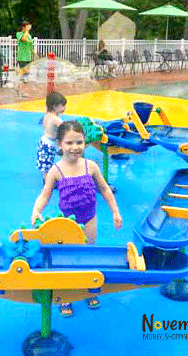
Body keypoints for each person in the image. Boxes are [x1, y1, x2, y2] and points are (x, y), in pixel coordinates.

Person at [31, 120, 123, 317]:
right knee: (68, 260)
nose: (75, 147)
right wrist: (36, 210)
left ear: (85, 143)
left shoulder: (91, 166)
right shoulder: (56, 171)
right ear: (59, 145)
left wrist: (115, 211)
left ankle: (88, 289)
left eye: (79, 142)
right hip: (67, 225)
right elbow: (45, 194)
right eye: (69, 143)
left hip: (89, 219)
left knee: (89, 255)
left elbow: (105, 189)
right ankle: (67, 296)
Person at [36, 92, 67, 181]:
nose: (64, 108)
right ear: (55, 106)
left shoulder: (47, 115)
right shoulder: (55, 118)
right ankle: (47, 180)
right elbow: (64, 126)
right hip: (49, 144)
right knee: (47, 163)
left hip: (44, 141)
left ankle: (46, 178)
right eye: (62, 106)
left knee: (46, 162)